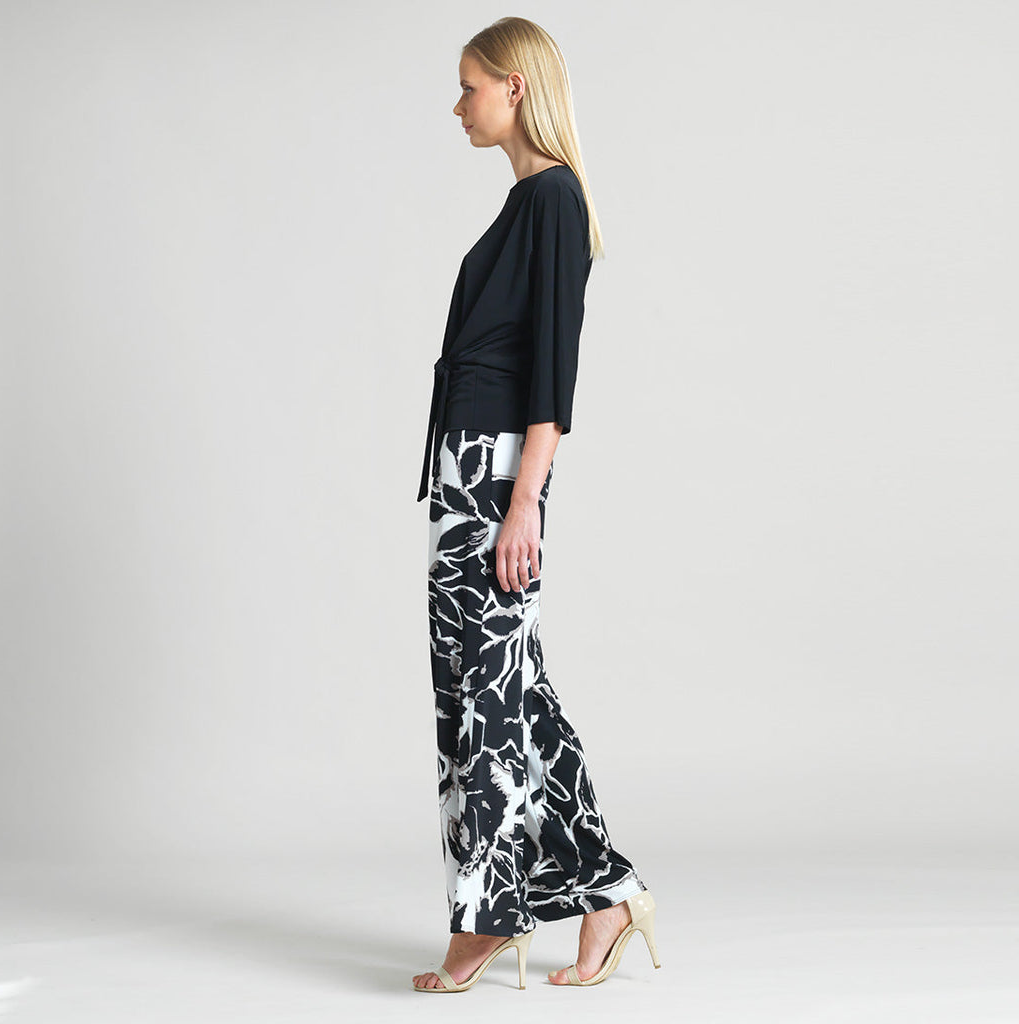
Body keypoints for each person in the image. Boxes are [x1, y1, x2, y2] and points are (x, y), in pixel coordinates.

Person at [412, 17, 660, 993]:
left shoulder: (553, 199)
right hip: (469, 472)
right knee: (511, 692)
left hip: (495, 479)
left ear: (514, 88)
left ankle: (484, 917)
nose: (457, 105)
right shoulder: (527, 202)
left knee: (481, 698)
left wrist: (524, 503)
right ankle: (607, 894)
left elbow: (554, 368)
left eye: (468, 85)